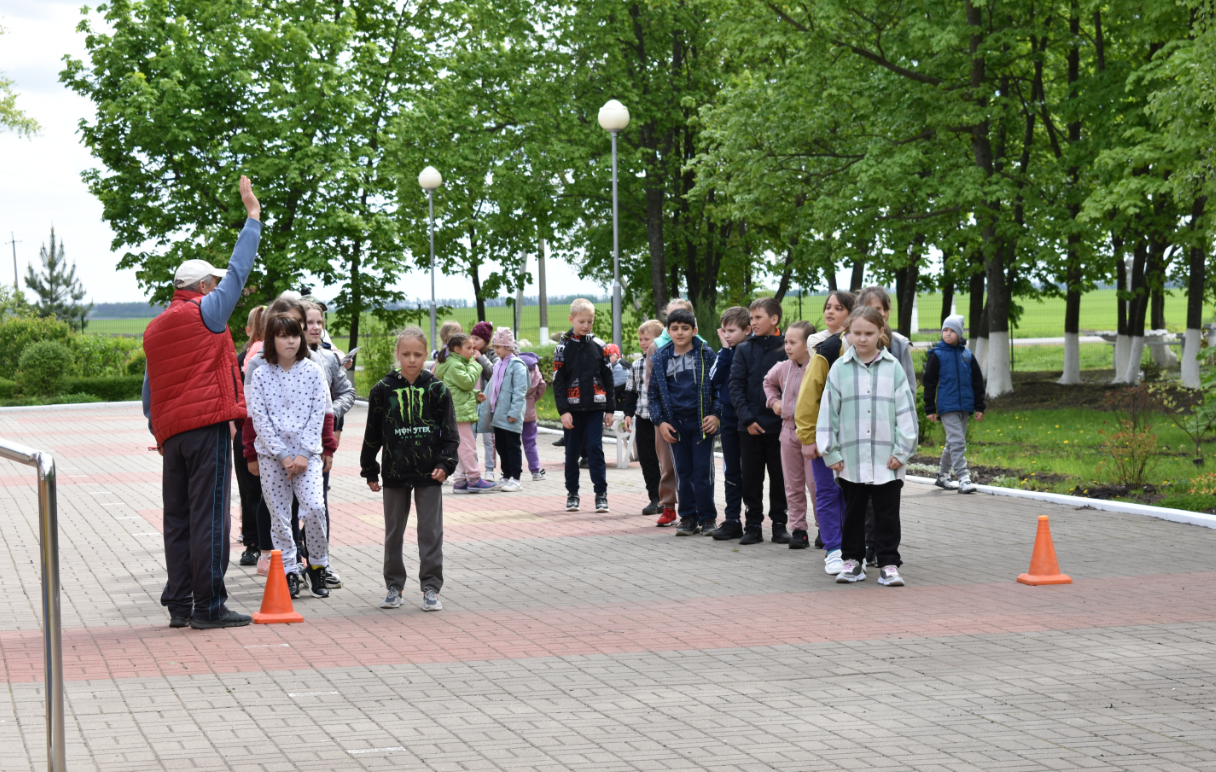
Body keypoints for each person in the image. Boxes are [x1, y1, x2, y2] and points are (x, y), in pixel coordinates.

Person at [142, 175, 261, 630]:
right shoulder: (205, 311)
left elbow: (149, 393)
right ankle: (209, 606)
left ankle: (179, 604)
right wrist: (252, 219)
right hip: (206, 427)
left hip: (172, 436)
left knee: (177, 518)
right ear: (203, 285)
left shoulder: (155, 327)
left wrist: (160, 430)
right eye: (213, 282)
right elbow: (240, 271)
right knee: (210, 515)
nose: (220, 288)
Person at [242, 295, 341, 586]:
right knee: (280, 515)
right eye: (282, 336)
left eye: (295, 334)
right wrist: (281, 455)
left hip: (307, 455)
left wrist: (308, 451)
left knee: (314, 507)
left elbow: (319, 414)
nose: (291, 341)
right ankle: (289, 569)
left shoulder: (313, 370)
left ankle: (318, 564)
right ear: (270, 340)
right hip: (273, 457)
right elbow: (257, 418)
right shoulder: (259, 373)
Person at [817, 306, 918, 587]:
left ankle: (888, 563)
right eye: (856, 333)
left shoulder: (893, 368)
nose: (862, 339)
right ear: (848, 333)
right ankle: (852, 562)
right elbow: (828, 412)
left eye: (869, 333)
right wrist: (831, 451)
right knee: (853, 511)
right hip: (851, 457)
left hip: (887, 458)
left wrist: (902, 450)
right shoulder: (839, 369)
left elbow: (906, 412)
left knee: (887, 512)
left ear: (881, 334)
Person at [361, 327, 458, 612]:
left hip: (430, 473)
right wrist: (370, 469)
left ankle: (431, 588)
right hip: (394, 472)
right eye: (406, 354)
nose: (411, 360)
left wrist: (445, 464)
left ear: (426, 354)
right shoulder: (382, 390)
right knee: (394, 532)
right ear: (398, 354)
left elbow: (451, 435)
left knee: (430, 531)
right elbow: (372, 434)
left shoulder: (438, 389)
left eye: (417, 354)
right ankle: (394, 586)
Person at [648, 309, 720, 536]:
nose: (680, 332)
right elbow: (653, 395)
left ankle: (708, 518)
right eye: (675, 328)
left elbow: (720, 388)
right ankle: (687, 518)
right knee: (683, 472)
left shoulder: (706, 354)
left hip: (702, 425)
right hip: (675, 426)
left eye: (685, 328)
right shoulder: (660, 357)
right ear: (668, 331)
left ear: (694, 330)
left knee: (702, 473)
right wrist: (660, 422)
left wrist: (716, 414)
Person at [303, 300, 357, 587]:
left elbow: (347, 392)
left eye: (319, 323)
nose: (315, 327)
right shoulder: (277, 358)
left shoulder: (329, 358)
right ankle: (284, 563)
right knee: (282, 506)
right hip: (284, 450)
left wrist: (330, 413)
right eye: (309, 322)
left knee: (318, 502)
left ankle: (320, 561)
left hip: (320, 444)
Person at [728, 297, 790, 545]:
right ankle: (753, 525)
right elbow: (736, 386)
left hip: (779, 426)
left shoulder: (787, 347)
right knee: (751, 478)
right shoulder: (743, 349)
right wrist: (748, 419)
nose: (752, 322)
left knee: (780, 477)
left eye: (758, 317)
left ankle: (779, 524)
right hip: (750, 427)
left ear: (774, 319)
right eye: (751, 318)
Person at [552, 298, 616, 513]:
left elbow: (608, 379)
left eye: (590, 321)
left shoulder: (600, 346)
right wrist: (563, 411)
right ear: (571, 319)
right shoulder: (562, 346)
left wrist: (610, 408)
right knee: (571, 452)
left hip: (596, 408)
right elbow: (558, 382)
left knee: (595, 449)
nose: (586, 325)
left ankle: (601, 494)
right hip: (572, 410)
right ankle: (572, 493)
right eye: (581, 321)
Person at [763, 320, 817, 550]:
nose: (787, 346)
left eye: (793, 342)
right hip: (787, 432)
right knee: (793, 485)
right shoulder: (783, 367)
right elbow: (767, 382)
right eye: (786, 342)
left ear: (808, 345)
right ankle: (799, 530)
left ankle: (826, 529)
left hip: (812, 435)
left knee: (816, 485)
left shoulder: (817, 367)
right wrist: (774, 401)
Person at [643, 298, 698, 526]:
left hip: (693, 418)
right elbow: (651, 384)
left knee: (694, 465)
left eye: (682, 317)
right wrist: (660, 418)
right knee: (668, 463)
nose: (678, 326)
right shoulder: (657, 347)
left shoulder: (701, 346)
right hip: (666, 418)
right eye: (672, 319)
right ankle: (668, 506)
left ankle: (695, 505)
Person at [923, 314, 986, 494]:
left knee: (953, 443)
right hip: (947, 406)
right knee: (958, 442)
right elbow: (929, 382)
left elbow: (977, 382)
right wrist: (930, 408)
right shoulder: (937, 355)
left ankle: (942, 476)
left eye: (952, 331)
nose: (948, 334)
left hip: (965, 406)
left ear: (959, 333)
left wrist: (979, 406)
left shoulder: (967, 355)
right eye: (945, 330)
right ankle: (963, 479)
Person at [709, 307, 750, 540]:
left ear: (747, 330)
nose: (727, 335)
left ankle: (755, 520)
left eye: (732, 331)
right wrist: (725, 350)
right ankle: (732, 519)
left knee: (752, 472)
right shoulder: (725, 352)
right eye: (724, 331)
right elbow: (713, 378)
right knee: (731, 470)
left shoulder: (750, 351)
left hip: (749, 419)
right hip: (729, 419)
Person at [436, 333, 496, 493]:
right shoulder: (455, 364)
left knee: (461, 447)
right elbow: (468, 382)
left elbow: (457, 390)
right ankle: (474, 478)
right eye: (468, 348)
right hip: (458, 413)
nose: (472, 351)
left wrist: (475, 396)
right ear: (457, 349)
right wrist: (476, 365)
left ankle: (460, 481)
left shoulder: (453, 363)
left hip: (456, 411)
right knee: (468, 447)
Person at [234, 304, 266, 566]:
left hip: (268, 434)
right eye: (259, 326)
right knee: (249, 491)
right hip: (244, 431)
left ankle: (272, 543)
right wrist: (235, 431)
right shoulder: (241, 358)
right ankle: (252, 542)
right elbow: (234, 397)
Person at [478, 328, 529, 492]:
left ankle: (516, 478)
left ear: (508, 346)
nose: (495, 350)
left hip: (510, 415)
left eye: (498, 347)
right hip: (497, 414)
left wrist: (514, 413)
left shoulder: (517, 366)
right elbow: (493, 387)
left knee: (512, 446)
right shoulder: (498, 364)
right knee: (500, 445)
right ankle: (506, 475)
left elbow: (520, 391)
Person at [623, 319, 665, 516]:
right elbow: (631, 392)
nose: (642, 342)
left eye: (647, 339)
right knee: (647, 460)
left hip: (663, 420)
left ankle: (669, 498)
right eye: (640, 339)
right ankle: (654, 498)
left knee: (665, 461)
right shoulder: (637, 364)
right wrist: (628, 414)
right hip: (643, 417)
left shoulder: (665, 361)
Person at [470, 321, 498, 481]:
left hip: (487, 403)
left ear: (486, 341)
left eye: (477, 339)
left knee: (488, 438)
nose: (473, 342)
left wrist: (480, 358)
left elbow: (493, 373)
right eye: (471, 337)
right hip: (472, 402)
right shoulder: (468, 354)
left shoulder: (491, 354)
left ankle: (489, 469)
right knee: (470, 438)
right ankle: (472, 469)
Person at [518, 350, 548, 481]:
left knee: (513, 443)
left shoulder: (515, 365)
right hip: (529, 409)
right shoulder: (535, 370)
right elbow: (542, 386)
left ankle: (514, 472)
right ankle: (535, 472)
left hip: (513, 410)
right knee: (530, 442)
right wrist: (533, 399)